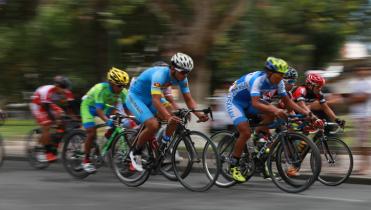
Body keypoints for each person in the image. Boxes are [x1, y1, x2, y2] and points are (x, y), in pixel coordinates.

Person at [225, 57, 312, 182]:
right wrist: (276, 110)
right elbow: (256, 104)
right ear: (269, 73)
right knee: (245, 132)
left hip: (249, 101)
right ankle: (233, 165)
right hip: (236, 101)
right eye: (278, 75)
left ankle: (259, 143)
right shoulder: (258, 80)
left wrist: (306, 113)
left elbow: (287, 101)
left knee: (271, 114)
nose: (281, 78)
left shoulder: (279, 82)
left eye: (282, 75)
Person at [126, 52, 209, 172]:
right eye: (182, 72)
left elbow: (189, 99)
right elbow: (156, 100)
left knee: (176, 115)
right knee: (153, 124)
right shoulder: (160, 75)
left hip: (152, 98)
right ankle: (136, 152)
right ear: (173, 69)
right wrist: (167, 116)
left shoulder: (182, 78)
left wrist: (199, 114)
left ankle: (163, 146)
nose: (184, 75)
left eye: (187, 72)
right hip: (136, 97)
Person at [80, 67, 130, 173]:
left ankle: (104, 143)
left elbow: (127, 109)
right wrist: (107, 121)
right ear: (112, 83)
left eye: (124, 85)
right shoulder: (100, 88)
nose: (122, 88)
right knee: (91, 132)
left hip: (105, 107)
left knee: (117, 124)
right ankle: (86, 160)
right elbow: (98, 110)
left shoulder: (123, 91)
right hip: (89, 107)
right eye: (120, 85)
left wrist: (134, 119)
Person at [30, 76, 75, 162]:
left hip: (49, 104)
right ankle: (45, 152)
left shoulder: (66, 91)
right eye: (62, 87)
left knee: (62, 117)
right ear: (56, 86)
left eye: (66, 88)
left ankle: (55, 142)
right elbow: (46, 108)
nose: (64, 90)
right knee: (47, 124)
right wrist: (54, 120)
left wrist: (75, 117)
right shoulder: (46, 91)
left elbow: (71, 106)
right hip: (37, 105)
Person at [348, 67, 371, 174]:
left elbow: (364, 98)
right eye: (359, 70)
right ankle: (362, 165)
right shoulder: (354, 83)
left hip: (364, 116)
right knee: (358, 143)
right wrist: (354, 98)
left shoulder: (368, 82)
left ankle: (365, 167)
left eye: (364, 70)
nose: (361, 72)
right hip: (356, 116)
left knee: (363, 142)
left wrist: (353, 99)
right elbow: (350, 97)